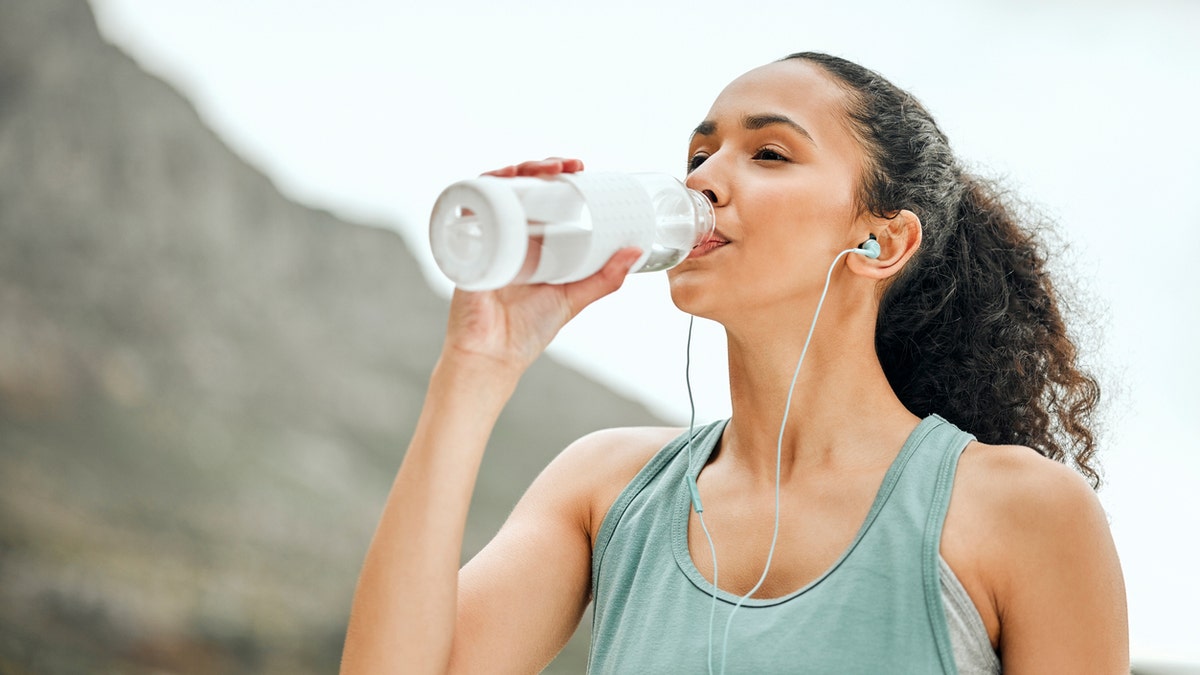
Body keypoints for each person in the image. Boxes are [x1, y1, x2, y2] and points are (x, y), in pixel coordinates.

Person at [340, 52, 1128, 674]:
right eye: (700, 151)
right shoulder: (606, 488)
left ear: (880, 242)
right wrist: (476, 366)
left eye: (770, 152)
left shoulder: (1024, 513)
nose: (703, 179)